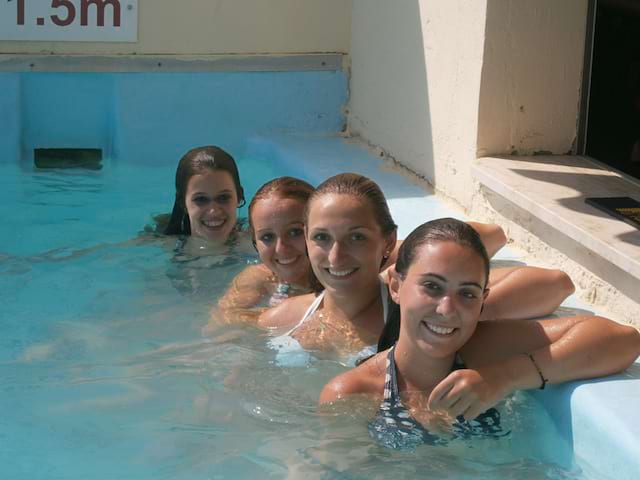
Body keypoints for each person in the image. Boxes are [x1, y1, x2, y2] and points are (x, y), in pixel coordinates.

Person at [319, 218, 640, 449]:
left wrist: (503, 378)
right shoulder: (352, 392)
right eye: (431, 287)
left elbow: (622, 340)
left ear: (483, 300)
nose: (447, 309)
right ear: (396, 286)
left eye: (467, 293)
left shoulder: (483, 351)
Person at [258, 173, 575, 366]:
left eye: (357, 237)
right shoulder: (280, 318)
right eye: (322, 238)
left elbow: (555, 284)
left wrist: (473, 308)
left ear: (388, 241)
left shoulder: (419, 311)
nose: (336, 256)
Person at [211, 177, 317, 325]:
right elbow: (217, 324)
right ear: (255, 243)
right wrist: (272, 316)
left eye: (294, 232)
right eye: (267, 237)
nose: (281, 248)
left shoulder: (345, 285)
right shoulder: (260, 277)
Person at [163, 145, 246, 245]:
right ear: (182, 203)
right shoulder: (158, 249)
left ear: (239, 197)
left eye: (223, 197)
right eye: (201, 199)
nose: (213, 212)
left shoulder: (258, 247)